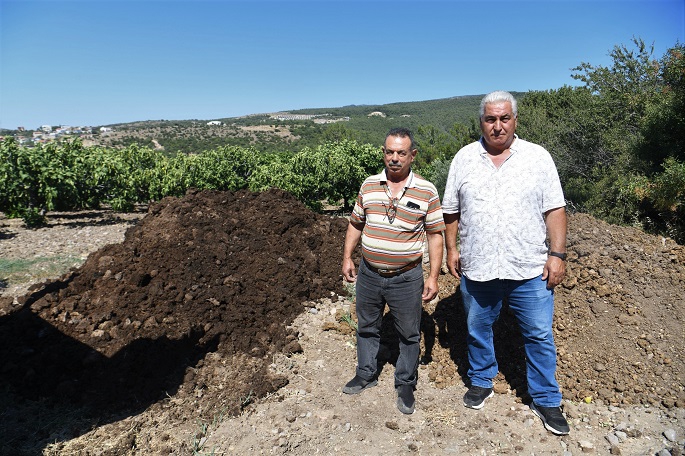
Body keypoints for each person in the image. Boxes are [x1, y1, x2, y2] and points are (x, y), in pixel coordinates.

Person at [442, 91, 570, 435]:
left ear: (514, 120)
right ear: (481, 122)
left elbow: (555, 209)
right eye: (490, 119)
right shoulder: (464, 159)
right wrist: (452, 249)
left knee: (539, 334)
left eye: (504, 119)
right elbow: (450, 211)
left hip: (528, 267)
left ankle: (546, 399)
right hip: (480, 266)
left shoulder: (537, 158)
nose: (497, 126)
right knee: (477, 329)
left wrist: (556, 255)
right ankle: (482, 380)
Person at [341, 127, 445, 415]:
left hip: (406, 277)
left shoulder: (426, 190)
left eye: (401, 153)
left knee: (409, 333)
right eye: (389, 152)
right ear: (383, 153)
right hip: (370, 274)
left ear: (412, 155)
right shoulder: (369, 185)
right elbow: (356, 223)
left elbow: (436, 234)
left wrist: (433, 276)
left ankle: (406, 383)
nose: (395, 158)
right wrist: (347, 256)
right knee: (367, 326)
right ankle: (365, 374)